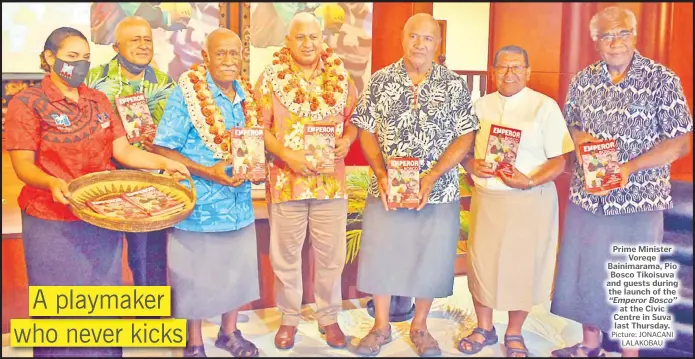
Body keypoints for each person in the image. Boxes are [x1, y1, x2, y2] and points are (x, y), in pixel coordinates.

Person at [4, 26, 189, 358]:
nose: (80, 65)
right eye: (71, 57)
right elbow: (23, 165)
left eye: (86, 58)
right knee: (60, 311)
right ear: (50, 58)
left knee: (102, 303)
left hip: (101, 218)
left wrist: (163, 163)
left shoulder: (98, 100)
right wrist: (50, 182)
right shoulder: (28, 102)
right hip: (52, 222)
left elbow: (124, 151)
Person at [549, 7, 693, 358]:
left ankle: (631, 354)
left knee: (637, 279)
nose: (614, 42)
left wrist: (629, 168)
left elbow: (680, 142)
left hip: (639, 199)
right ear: (594, 41)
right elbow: (570, 125)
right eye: (605, 36)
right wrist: (580, 137)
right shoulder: (583, 80)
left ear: (635, 35)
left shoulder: (661, 79)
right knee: (587, 270)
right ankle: (590, 345)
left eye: (622, 34)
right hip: (590, 196)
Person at [351, 13, 478, 357]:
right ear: (403, 39)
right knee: (381, 254)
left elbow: (466, 134)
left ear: (438, 45)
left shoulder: (454, 85)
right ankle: (380, 326)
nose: (420, 44)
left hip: (438, 192)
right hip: (387, 191)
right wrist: (379, 173)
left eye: (428, 38)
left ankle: (420, 327)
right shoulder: (379, 81)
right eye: (414, 37)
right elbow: (365, 129)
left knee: (431, 257)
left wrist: (431, 176)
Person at [458, 45, 574, 358]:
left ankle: (513, 332)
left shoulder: (544, 107)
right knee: (481, 263)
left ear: (528, 71)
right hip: (488, 198)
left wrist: (531, 179)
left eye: (516, 67)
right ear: (492, 71)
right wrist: (472, 165)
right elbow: (465, 153)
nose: (509, 74)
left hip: (529, 199)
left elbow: (560, 160)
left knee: (522, 267)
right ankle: (484, 326)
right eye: (503, 67)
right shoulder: (479, 106)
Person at [153, 28, 261, 358]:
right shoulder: (186, 94)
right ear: (207, 57)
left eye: (235, 53)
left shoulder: (246, 96)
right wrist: (208, 171)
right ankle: (194, 342)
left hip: (239, 205)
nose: (229, 60)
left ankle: (230, 334)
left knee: (236, 274)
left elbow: (252, 144)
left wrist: (258, 166)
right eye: (222, 53)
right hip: (199, 208)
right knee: (195, 279)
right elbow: (164, 148)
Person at [254, 12, 359, 350]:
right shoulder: (270, 78)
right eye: (300, 37)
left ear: (322, 39)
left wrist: (348, 140)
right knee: (285, 255)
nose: (308, 43)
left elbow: (353, 121)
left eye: (313, 37)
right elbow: (260, 127)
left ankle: (329, 318)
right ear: (288, 41)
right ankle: (289, 319)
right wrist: (287, 154)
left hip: (331, 182)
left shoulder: (341, 76)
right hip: (287, 182)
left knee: (331, 256)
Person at [86, 16, 176, 290]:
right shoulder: (94, 80)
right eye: (134, 39)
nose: (143, 45)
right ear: (116, 47)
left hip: (150, 182)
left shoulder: (164, 83)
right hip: (104, 181)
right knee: (102, 257)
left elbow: (172, 133)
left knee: (149, 260)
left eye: (147, 39)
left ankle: (152, 323)